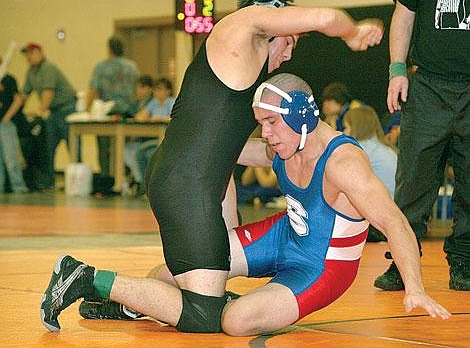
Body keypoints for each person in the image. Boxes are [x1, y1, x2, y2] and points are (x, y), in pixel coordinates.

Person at [40, 0, 385, 333]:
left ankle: (128, 304)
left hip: (189, 181)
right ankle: (84, 277)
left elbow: (224, 152)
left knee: (210, 288)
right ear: (273, 17)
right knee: (204, 314)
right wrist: (352, 33)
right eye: (290, 41)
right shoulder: (240, 28)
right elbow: (327, 19)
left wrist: (232, 220)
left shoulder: (241, 66)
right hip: (186, 185)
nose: (289, 53)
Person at [40, 73, 450, 335]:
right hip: (283, 234)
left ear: (303, 117)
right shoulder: (284, 144)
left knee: (234, 322)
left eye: (272, 123)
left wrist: (414, 288)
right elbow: (228, 150)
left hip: (323, 267)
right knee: (174, 271)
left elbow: (397, 223)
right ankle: (139, 308)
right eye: (263, 124)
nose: (267, 134)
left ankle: (115, 287)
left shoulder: (345, 163)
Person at [376, 0, 470, 291]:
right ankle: (402, 262)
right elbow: (404, 15)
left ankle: (464, 261)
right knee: (414, 180)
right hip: (428, 83)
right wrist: (397, 70)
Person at [5, 43, 77, 191]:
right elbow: (23, 95)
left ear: (40, 52)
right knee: (48, 147)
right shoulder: (31, 72)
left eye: (31, 53)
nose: (28, 57)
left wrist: (40, 110)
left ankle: (78, 183)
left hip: (67, 109)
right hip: (53, 112)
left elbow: (48, 93)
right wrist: (11, 113)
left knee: (73, 146)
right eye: (26, 54)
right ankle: (48, 183)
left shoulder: (48, 68)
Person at [86, 37, 139, 177]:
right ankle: (123, 177)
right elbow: (137, 91)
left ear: (109, 49)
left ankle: (106, 178)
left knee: (104, 148)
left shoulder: (101, 67)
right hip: (127, 112)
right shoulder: (132, 67)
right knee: (123, 147)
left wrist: (87, 110)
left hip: (107, 112)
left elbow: (93, 89)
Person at [343, 105, 397, 242]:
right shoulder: (384, 147)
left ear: (356, 127)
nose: (343, 132)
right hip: (393, 217)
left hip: (376, 222)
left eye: (346, 127)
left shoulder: (359, 149)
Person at [124, 77, 174, 196]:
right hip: (152, 138)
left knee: (148, 154)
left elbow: (174, 119)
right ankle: (144, 185)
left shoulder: (172, 102)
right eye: (156, 90)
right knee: (139, 153)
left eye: (161, 89)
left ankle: (153, 187)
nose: (157, 92)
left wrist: (159, 118)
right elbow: (140, 117)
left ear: (168, 91)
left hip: (165, 140)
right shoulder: (154, 103)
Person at [0, 57, 29, 193]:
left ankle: (18, 187)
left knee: (11, 157)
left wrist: (6, 118)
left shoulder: (8, 80)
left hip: (6, 124)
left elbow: (17, 101)